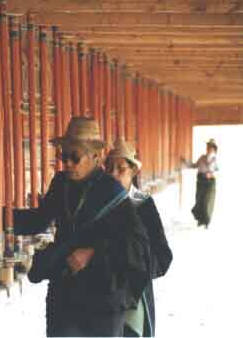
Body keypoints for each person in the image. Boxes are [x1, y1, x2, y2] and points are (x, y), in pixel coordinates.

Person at [12, 117, 151, 337]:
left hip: (103, 300)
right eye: (63, 156)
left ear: (95, 157)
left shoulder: (112, 193)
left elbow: (138, 247)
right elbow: (39, 220)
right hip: (65, 296)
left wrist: (93, 254)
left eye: (74, 157)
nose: (66, 163)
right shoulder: (61, 184)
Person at [105, 139, 173, 337]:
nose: (114, 174)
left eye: (121, 168)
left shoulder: (143, 205)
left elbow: (163, 256)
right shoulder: (99, 205)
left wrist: (136, 269)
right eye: (109, 168)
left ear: (133, 171)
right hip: (102, 297)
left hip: (134, 295)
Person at [190, 138, 219, 228]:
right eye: (208, 146)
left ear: (214, 149)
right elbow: (194, 165)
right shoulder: (202, 157)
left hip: (209, 183)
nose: (209, 148)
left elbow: (217, 171)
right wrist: (186, 163)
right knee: (199, 200)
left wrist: (211, 174)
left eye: (211, 147)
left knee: (207, 202)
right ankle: (200, 221)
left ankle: (206, 222)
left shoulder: (214, 160)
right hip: (200, 181)